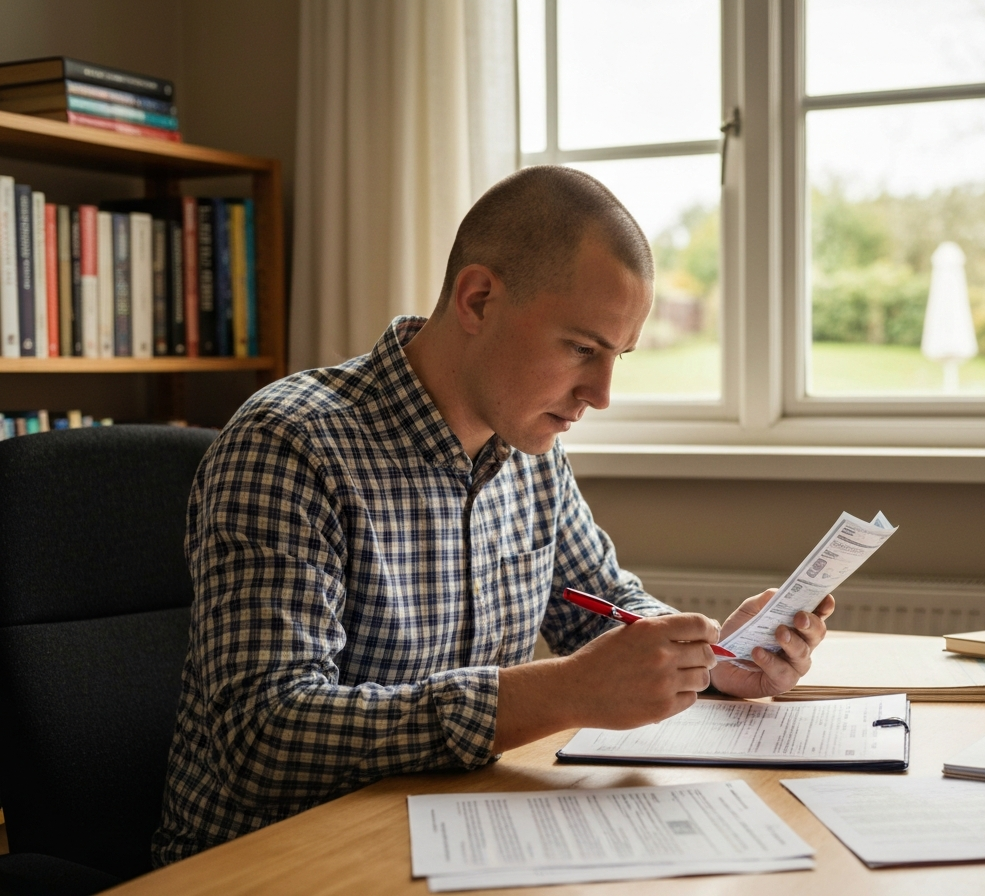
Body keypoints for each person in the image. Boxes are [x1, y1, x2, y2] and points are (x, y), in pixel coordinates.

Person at [153, 166, 835, 866]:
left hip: (454, 840)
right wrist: (557, 692)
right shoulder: (289, 446)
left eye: (618, 357)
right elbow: (263, 736)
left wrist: (717, 662)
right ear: (477, 299)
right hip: (268, 864)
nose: (600, 394)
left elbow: (604, 607)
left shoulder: (530, 449)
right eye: (581, 349)